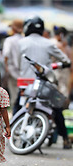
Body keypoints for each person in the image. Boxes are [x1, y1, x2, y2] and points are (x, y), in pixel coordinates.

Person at [15, 16, 72, 149]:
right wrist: (54, 66)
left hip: (25, 83)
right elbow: (66, 61)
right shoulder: (48, 44)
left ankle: (9, 133)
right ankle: (65, 139)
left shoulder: (21, 43)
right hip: (43, 84)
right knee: (57, 109)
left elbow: (17, 63)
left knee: (17, 106)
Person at [2, 19, 23, 113]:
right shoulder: (25, 40)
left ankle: (15, 117)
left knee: (15, 97)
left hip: (13, 72)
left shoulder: (9, 40)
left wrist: (6, 68)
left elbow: (5, 55)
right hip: (24, 73)